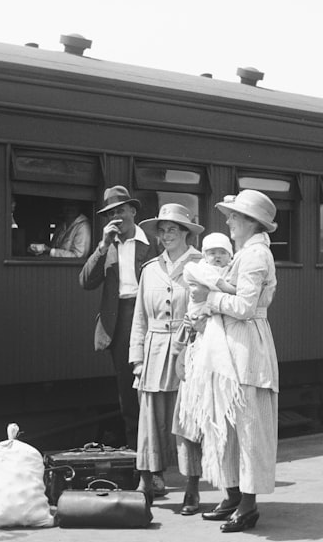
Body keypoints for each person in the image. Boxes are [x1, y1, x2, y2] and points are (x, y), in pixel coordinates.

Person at [182, 190, 279, 533]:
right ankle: (234, 495)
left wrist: (209, 297)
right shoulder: (246, 254)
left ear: (250, 222)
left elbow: (246, 308)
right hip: (233, 344)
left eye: (234, 217)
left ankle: (248, 505)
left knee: (248, 427)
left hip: (247, 346)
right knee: (230, 424)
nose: (228, 221)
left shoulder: (254, 256)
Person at [129, 203, 203, 504]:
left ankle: (192, 488)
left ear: (186, 233)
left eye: (173, 229)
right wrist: (136, 359)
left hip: (190, 351)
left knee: (186, 419)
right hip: (154, 351)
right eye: (162, 230)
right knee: (149, 421)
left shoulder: (201, 265)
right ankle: (148, 483)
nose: (166, 234)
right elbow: (139, 319)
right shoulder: (149, 269)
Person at [78, 186, 159, 449]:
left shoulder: (152, 243)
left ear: (133, 211)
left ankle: (160, 454)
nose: (117, 217)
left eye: (121, 211)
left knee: (156, 386)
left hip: (150, 315)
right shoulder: (107, 246)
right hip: (121, 319)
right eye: (111, 213)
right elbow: (86, 282)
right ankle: (138, 454)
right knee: (128, 390)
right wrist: (102, 246)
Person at [172, 231, 236, 514]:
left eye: (222, 252)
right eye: (212, 252)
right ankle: (191, 488)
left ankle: (229, 491)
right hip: (198, 355)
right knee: (189, 423)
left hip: (224, 360)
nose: (217, 256)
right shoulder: (199, 271)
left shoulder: (236, 277)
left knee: (220, 425)